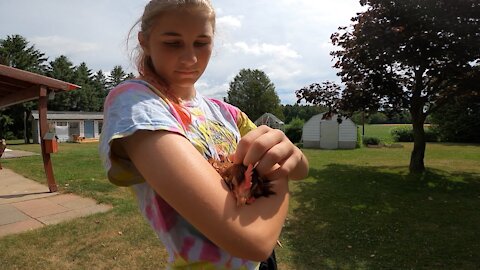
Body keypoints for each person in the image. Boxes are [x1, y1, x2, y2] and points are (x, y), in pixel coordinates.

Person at [99, 0, 309, 269]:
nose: (190, 59)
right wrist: (278, 176)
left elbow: (300, 168)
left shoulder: (226, 113)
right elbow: (252, 242)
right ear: (145, 41)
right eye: (173, 43)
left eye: (201, 43)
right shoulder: (137, 103)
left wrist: (290, 153)